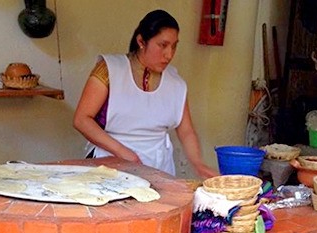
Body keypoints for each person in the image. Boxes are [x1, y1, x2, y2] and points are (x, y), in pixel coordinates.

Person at [73, 10, 218, 179]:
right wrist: (123, 152)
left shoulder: (176, 83)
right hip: (110, 163)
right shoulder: (110, 70)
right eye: (162, 45)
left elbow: (186, 131)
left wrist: (198, 163)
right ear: (141, 41)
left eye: (174, 46)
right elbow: (82, 119)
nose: (169, 54)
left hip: (159, 167)